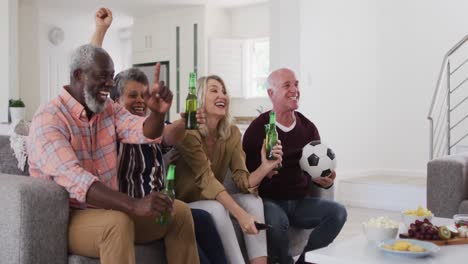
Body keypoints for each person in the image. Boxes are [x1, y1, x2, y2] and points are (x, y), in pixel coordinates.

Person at [27, 42, 199, 264]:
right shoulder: (49, 118)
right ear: (79, 75)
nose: (109, 83)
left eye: (111, 76)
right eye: (103, 76)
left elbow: (142, 131)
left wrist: (156, 114)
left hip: (109, 211)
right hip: (67, 219)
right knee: (116, 224)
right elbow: (76, 179)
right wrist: (135, 204)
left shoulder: (108, 109)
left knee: (179, 212)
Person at [112, 67, 228, 264]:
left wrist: (184, 122)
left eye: (144, 95)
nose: (140, 100)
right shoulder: (114, 131)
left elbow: (167, 135)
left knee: (203, 220)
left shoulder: (153, 124)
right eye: (133, 95)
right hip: (133, 211)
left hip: (160, 208)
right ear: (116, 102)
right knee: (186, 219)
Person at [173, 75, 283, 264]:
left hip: (215, 197)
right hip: (188, 202)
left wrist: (266, 166)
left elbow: (241, 179)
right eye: (214, 90)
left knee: (253, 201)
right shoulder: (188, 133)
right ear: (199, 98)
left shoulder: (231, 133)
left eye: (224, 91)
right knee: (216, 208)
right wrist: (241, 216)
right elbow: (207, 179)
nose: (222, 95)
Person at [242, 68, 348, 264]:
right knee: (277, 221)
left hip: (300, 202)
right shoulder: (258, 129)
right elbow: (245, 177)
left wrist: (324, 181)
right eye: (287, 85)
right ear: (271, 94)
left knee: (338, 212)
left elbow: (314, 172)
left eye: (296, 84)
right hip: (269, 201)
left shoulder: (308, 128)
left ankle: (306, 262)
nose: (295, 90)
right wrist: (266, 171)